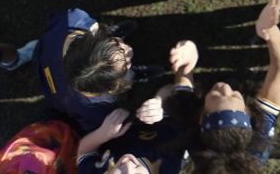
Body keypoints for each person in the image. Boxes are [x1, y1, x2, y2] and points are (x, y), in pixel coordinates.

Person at [162, 0, 280, 173]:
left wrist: (185, 63)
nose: (225, 87)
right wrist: (269, 31)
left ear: (200, 117)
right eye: (235, 96)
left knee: (167, 94)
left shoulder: (189, 130)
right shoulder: (262, 126)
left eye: (215, 96)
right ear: (249, 113)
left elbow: (183, 92)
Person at [33, 8, 182, 135]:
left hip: (43, 60)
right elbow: (91, 124)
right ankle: (133, 75)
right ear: (110, 88)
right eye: (125, 66)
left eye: (115, 42)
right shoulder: (94, 107)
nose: (130, 50)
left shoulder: (73, 20)